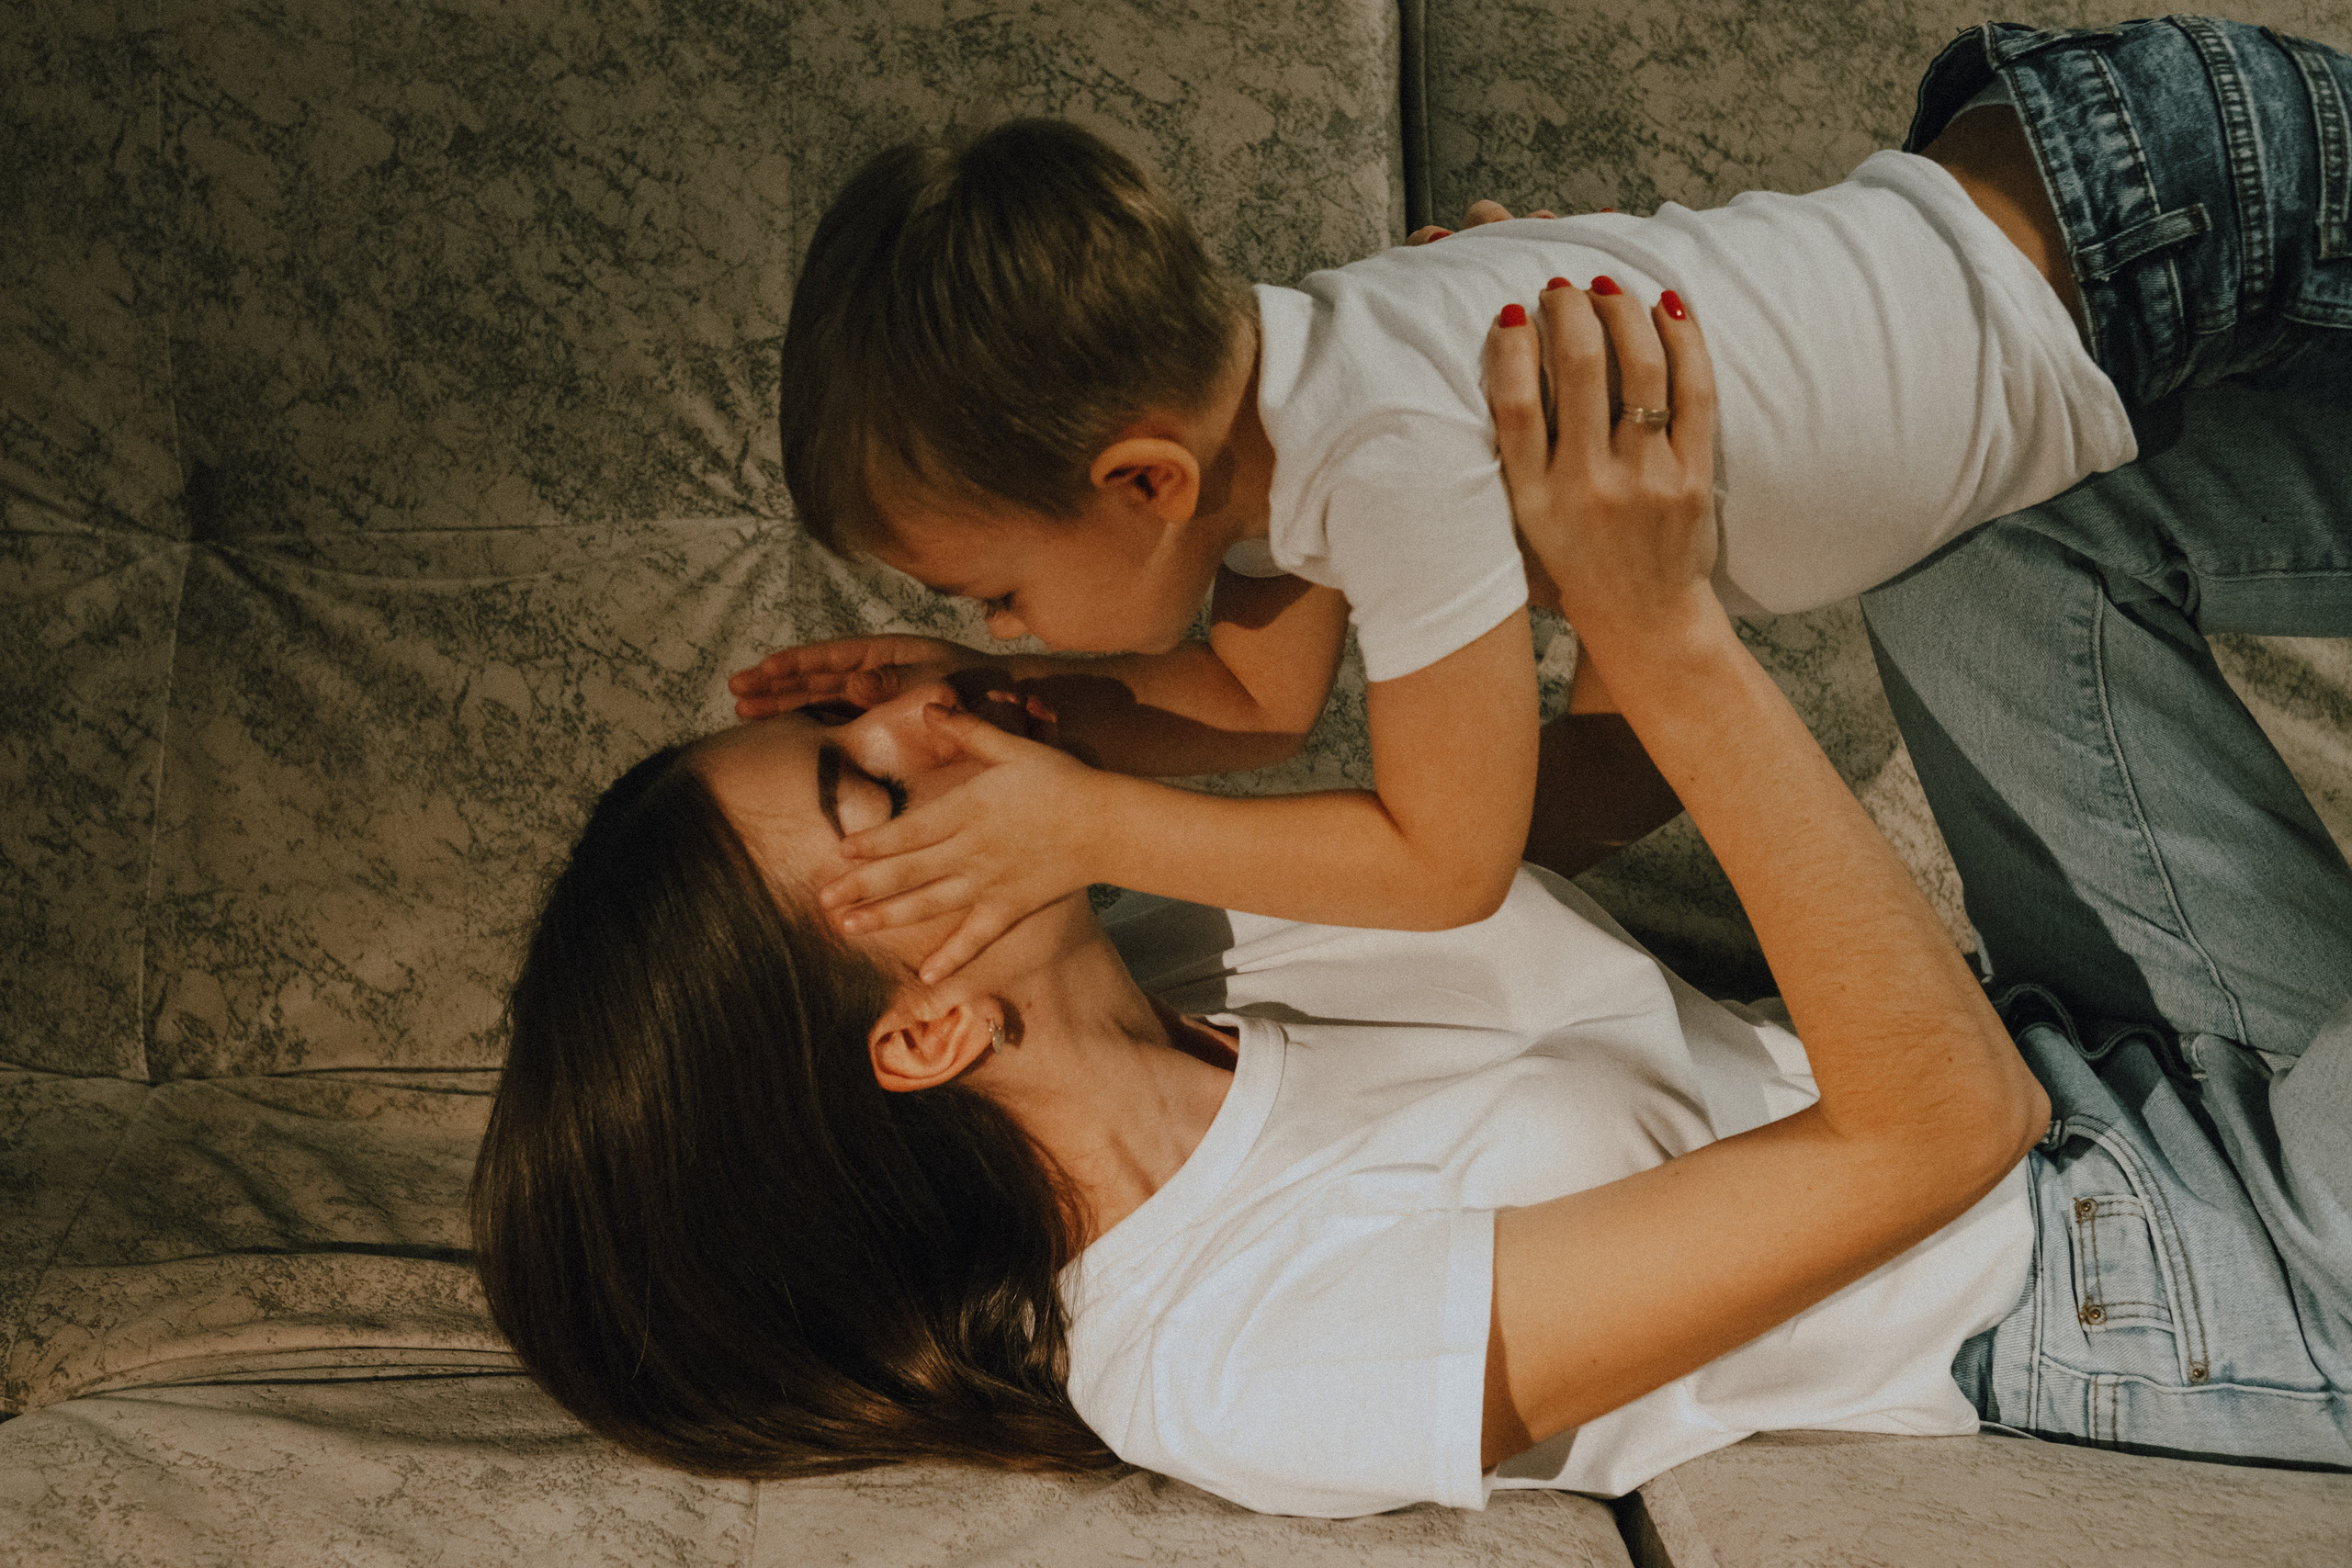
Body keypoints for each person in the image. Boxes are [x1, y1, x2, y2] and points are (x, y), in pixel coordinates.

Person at [470, 253, 2352, 1512]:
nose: (913, 723)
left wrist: (1517, 448)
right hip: (2213, 1272)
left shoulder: (1169, 936)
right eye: (869, 794)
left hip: (2122, 1050)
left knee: (2007, 510)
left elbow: (1586, 791)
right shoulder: (1225, 1350)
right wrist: (1660, 617)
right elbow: (1943, 1123)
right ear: (927, 1022)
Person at [729, 16, 2352, 988]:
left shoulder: (1385, 451)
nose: (1002, 628)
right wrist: (1007, 714)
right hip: (2096, 205)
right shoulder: (1289, 437)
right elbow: (1249, 707)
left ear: (1142, 479)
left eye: (993, 598)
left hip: (2169, 218)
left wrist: (1080, 824)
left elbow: (1454, 861)